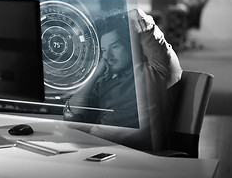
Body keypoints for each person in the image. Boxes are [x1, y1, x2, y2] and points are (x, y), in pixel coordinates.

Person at [63, 9, 182, 152]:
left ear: (131, 45)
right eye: (104, 50)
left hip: (135, 159)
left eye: (115, 46)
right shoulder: (103, 81)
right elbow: (72, 118)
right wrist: (94, 75)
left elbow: (138, 17)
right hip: (93, 151)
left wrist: (120, 21)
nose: (108, 56)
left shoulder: (157, 71)